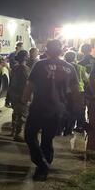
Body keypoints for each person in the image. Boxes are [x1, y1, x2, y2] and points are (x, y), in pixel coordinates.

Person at [22, 40, 80, 181]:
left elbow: (30, 86)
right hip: (58, 110)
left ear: (47, 50)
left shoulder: (40, 65)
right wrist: (76, 110)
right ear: (61, 51)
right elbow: (76, 92)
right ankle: (43, 168)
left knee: (30, 135)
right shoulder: (70, 67)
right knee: (47, 140)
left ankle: (42, 165)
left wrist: (24, 99)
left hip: (39, 108)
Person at [63, 51, 88, 135]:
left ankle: (62, 128)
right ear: (74, 58)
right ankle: (70, 129)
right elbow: (86, 80)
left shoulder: (62, 67)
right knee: (75, 110)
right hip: (79, 91)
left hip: (65, 91)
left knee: (66, 109)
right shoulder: (81, 67)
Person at [9, 50, 30, 142]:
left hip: (14, 94)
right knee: (22, 115)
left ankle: (13, 131)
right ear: (25, 57)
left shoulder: (15, 67)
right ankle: (17, 134)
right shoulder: (25, 69)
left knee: (15, 113)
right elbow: (26, 84)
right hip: (21, 94)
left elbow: (11, 82)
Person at [5, 42, 24, 108]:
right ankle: (7, 102)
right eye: (21, 46)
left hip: (17, 73)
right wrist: (9, 69)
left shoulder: (18, 54)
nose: (22, 48)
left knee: (14, 87)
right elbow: (5, 61)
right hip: (13, 72)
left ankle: (11, 101)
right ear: (18, 47)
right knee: (11, 87)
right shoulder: (12, 54)